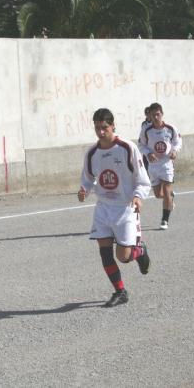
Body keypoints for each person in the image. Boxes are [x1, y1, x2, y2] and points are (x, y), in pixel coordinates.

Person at [78, 108, 151, 308]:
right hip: (103, 207)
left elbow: (142, 179)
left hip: (125, 207)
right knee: (104, 251)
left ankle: (139, 252)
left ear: (113, 126)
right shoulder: (92, 153)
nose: (101, 132)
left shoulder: (127, 148)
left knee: (123, 257)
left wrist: (138, 196)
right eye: (97, 128)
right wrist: (84, 189)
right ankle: (120, 291)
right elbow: (88, 178)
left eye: (104, 128)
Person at [139, 102, 182, 230]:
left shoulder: (170, 128)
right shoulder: (146, 130)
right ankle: (170, 197)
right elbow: (141, 145)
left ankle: (164, 220)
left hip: (167, 164)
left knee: (167, 190)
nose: (156, 117)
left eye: (158, 114)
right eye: (153, 115)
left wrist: (175, 151)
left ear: (162, 114)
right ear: (150, 116)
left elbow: (178, 142)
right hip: (153, 165)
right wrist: (148, 153)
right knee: (158, 194)